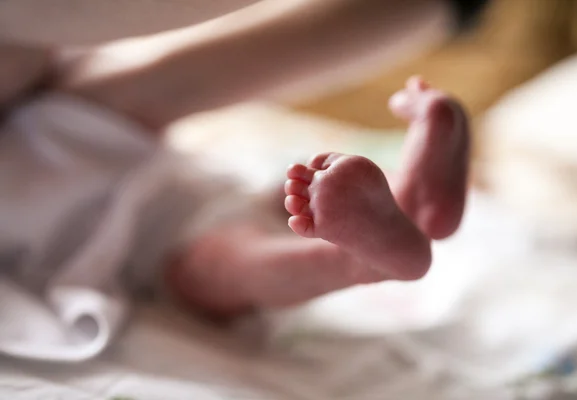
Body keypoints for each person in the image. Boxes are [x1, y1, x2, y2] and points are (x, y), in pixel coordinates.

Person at [0, 0, 484, 319]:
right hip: (84, 138)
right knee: (262, 224)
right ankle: (397, 207)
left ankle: (353, 258)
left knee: (221, 265)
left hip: (84, 211)